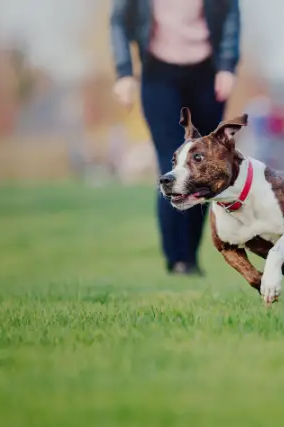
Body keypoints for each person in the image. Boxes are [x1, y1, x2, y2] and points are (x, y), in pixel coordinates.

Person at [110, 0, 240, 276]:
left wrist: (228, 65)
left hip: (207, 72)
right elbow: (120, 20)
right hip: (158, 73)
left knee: (202, 167)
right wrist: (124, 73)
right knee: (172, 163)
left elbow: (230, 12)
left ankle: (190, 256)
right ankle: (178, 259)